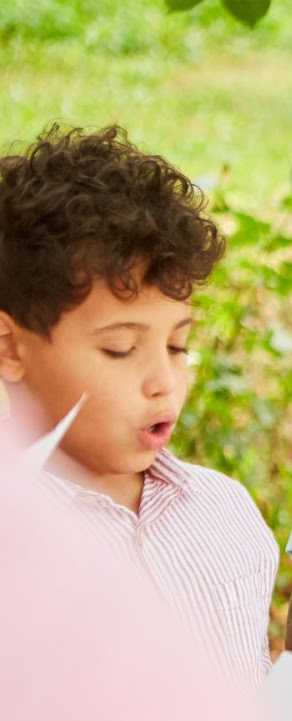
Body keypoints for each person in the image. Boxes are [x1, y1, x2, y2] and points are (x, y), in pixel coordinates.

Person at [0, 124, 277, 689]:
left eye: (177, 345)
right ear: (11, 348)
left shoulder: (224, 513)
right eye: (120, 349)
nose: (164, 381)